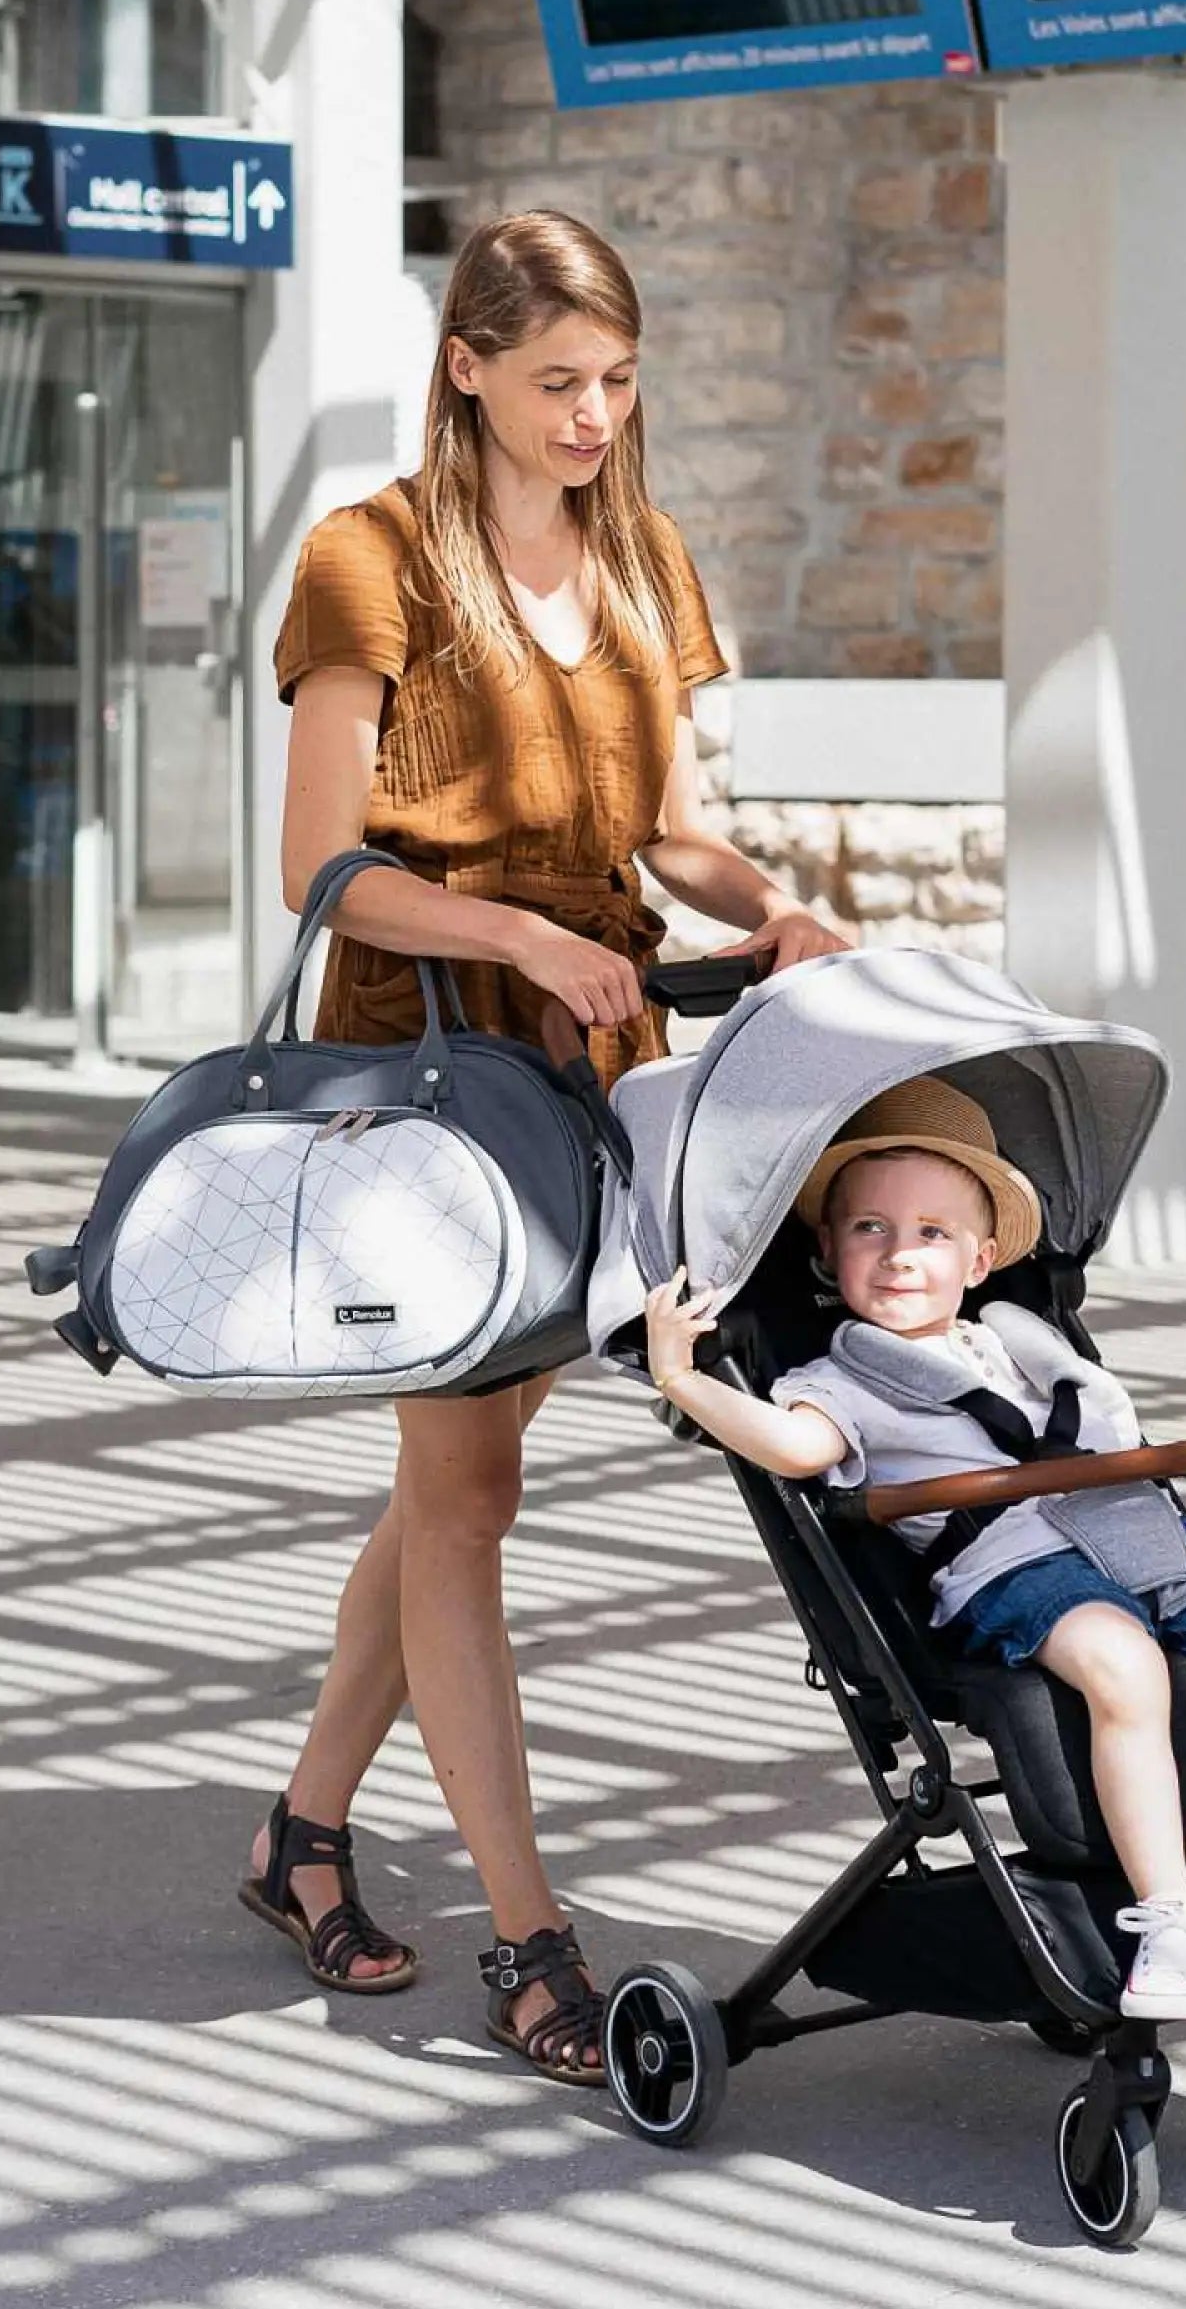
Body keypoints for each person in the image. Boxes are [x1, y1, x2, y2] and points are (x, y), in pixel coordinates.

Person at [243, 209, 851, 2082]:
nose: (596, 417)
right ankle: (532, 1936)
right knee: (473, 1495)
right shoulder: (371, 561)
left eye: (618, 382)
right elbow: (320, 870)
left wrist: (775, 903)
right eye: (559, 383)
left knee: (457, 1480)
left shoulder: (644, 557)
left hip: (595, 1048)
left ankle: (300, 1836)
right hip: (428, 1059)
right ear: (470, 370)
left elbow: (670, 833)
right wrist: (511, 929)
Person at [641, 1079, 1186, 2022]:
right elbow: (796, 1450)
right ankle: (1166, 1916)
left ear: (983, 1258)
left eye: (931, 1234)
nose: (900, 1256)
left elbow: (1116, 1447)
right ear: (827, 1251)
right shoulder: (837, 1377)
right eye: (869, 1230)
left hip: (1140, 1534)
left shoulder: (1026, 1345)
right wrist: (680, 1375)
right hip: (1013, 1563)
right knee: (1124, 1668)